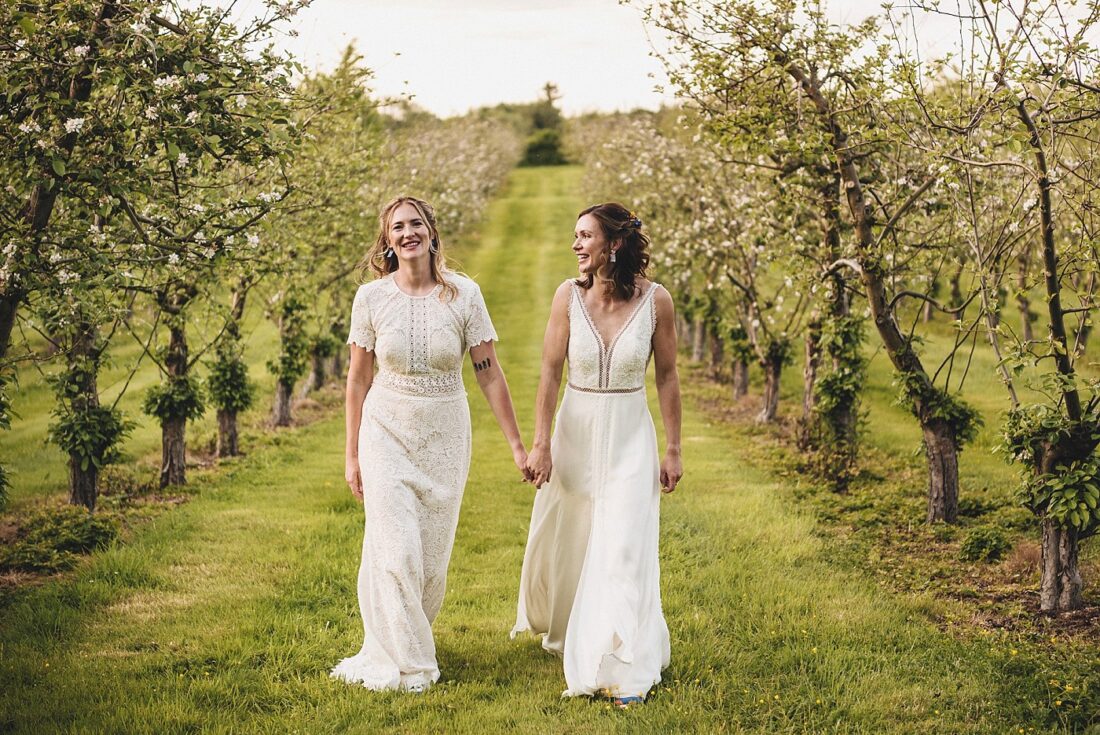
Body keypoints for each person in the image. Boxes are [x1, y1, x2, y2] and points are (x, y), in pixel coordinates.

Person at [333, 195, 530, 692]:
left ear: (432, 232)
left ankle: (404, 641)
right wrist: (352, 453)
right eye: (397, 227)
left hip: (445, 435)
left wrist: (516, 445)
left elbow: (488, 374)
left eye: (415, 223)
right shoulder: (371, 299)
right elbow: (357, 379)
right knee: (395, 550)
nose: (407, 233)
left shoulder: (465, 296)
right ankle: (415, 668)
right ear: (388, 241)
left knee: (429, 563)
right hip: (386, 431)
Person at [512, 202, 683, 707]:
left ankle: (617, 660)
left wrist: (673, 448)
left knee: (623, 542)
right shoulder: (567, 296)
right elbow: (549, 373)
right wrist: (541, 443)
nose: (576, 245)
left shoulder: (658, 302)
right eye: (574, 236)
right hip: (576, 430)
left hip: (632, 434)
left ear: (614, 244)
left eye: (585, 236)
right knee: (575, 537)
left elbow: (668, 377)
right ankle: (570, 630)